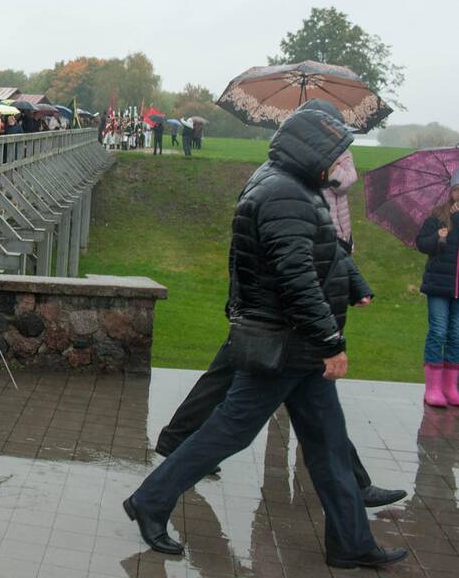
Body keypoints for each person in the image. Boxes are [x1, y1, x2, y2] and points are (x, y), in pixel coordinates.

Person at [124, 107, 407, 570]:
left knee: (329, 443)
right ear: (309, 150)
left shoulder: (290, 185)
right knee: (229, 431)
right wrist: (331, 342)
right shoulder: (284, 192)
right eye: (332, 153)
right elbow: (294, 276)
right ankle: (150, 500)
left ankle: (351, 542)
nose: (336, 162)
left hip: (295, 343)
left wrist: (354, 284)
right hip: (285, 342)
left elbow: (324, 249)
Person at [415, 172, 459, 407]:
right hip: (439, 285)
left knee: (456, 335)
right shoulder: (438, 216)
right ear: (452, 191)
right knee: (438, 332)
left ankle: (450, 386)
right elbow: (422, 243)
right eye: (458, 189)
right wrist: (438, 237)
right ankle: (432, 388)